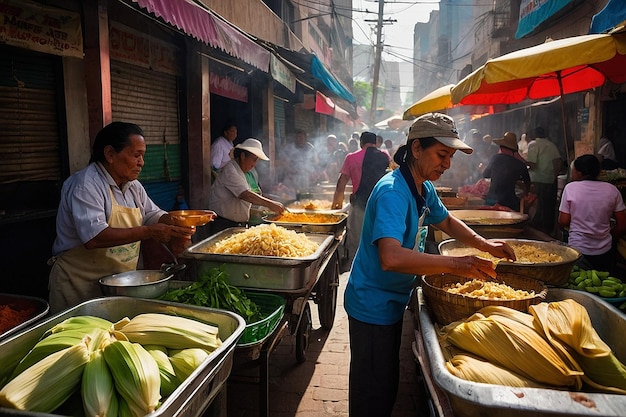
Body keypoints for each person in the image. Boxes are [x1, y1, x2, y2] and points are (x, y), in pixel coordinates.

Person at [345, 113, 515, 417]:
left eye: (449, 156)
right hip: (372, 303)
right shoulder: (393, 192)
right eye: (441, 154)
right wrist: (456, 264)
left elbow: (446, 220)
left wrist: (485, 244)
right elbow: (391, 257)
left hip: (392, 300)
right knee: (372, 393)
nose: (447, 164)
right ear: (416, 148)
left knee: (385, 385)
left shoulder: (422, 187)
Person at [48, 122, 196, 313]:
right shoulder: (86, 185)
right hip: (78, 285)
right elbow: (94, 238)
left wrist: (177, 223)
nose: (141, 162)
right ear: (110, 154)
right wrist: (149, 232)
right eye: (136, 155)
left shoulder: (133, 186)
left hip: (119, 284)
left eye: (142, 156)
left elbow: (152, 214)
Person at [558, 154, 626, 272]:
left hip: (577, 249)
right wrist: (607, 235)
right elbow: (622, 225)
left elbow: (563, 221)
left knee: (579, 283)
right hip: (604, 251)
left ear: (579, 173)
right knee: (602, 284)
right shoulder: (612, 190)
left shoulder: (570, 188)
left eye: (573, 171)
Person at [332, 132, 390, 270]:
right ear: (375, 142)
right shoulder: (384, 156)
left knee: (356, 241)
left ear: (361, 142)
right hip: (381, 206)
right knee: (378, 239)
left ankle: (356, 269)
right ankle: (376, 269)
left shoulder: (351, 158)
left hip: (360, 206)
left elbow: (342, 182)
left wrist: (336, 205)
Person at [208, 138, 285, 234]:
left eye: (257, 161)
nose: (254, 164)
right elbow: (245, 195)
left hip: (237, 224)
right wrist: (270, 204)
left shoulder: (243, 172)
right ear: (243, 156)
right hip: (223, 224)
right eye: (253, 160)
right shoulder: (230, 170)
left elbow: (250, 195)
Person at [526, 126, 562, 235]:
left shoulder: (533, 144)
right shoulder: (551, 145)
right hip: (551, 180)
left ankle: (538, 232)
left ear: (533, 135)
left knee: (538, 206)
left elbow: (532, 164)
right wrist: (554, 175)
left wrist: (523, 162)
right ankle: (548, 231)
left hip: (538, 180)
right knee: (549, 206)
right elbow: (559, 162)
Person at [482, 132, 531, 211]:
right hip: (509, 201)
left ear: (501, 147)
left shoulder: (495, 158)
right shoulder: (520, 164)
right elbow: (527, 183)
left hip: (491, 200)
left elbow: (485, 174)